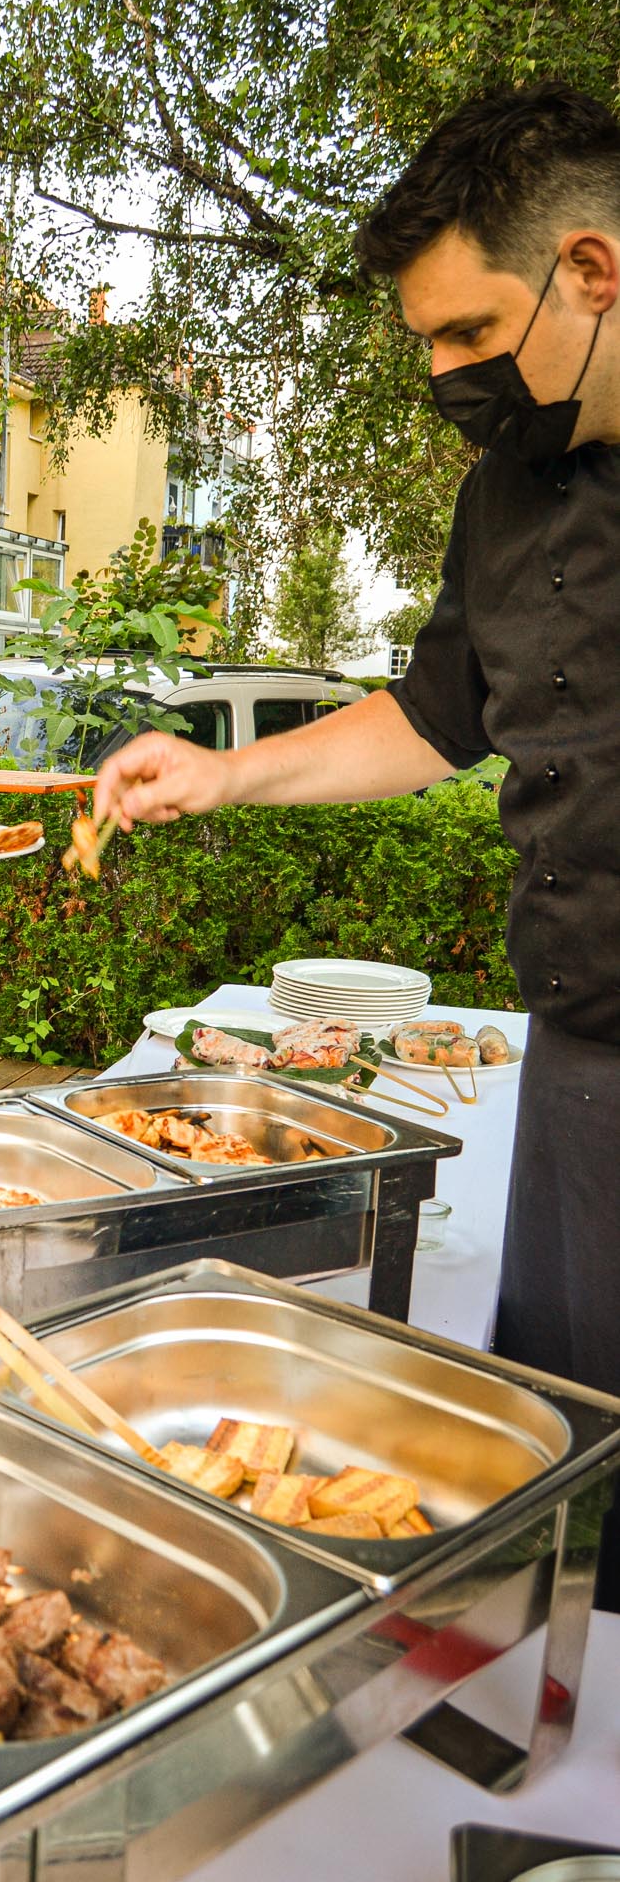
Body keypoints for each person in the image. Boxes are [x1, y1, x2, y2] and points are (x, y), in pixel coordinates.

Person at [95, 82, 619, 1611]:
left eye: (470, 332)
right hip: (582, 1049)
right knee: (575, 1474)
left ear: (591, 270)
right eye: (427, 343)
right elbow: (437, 718)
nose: (446, 374)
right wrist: (223, 775)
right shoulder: (503, 497)